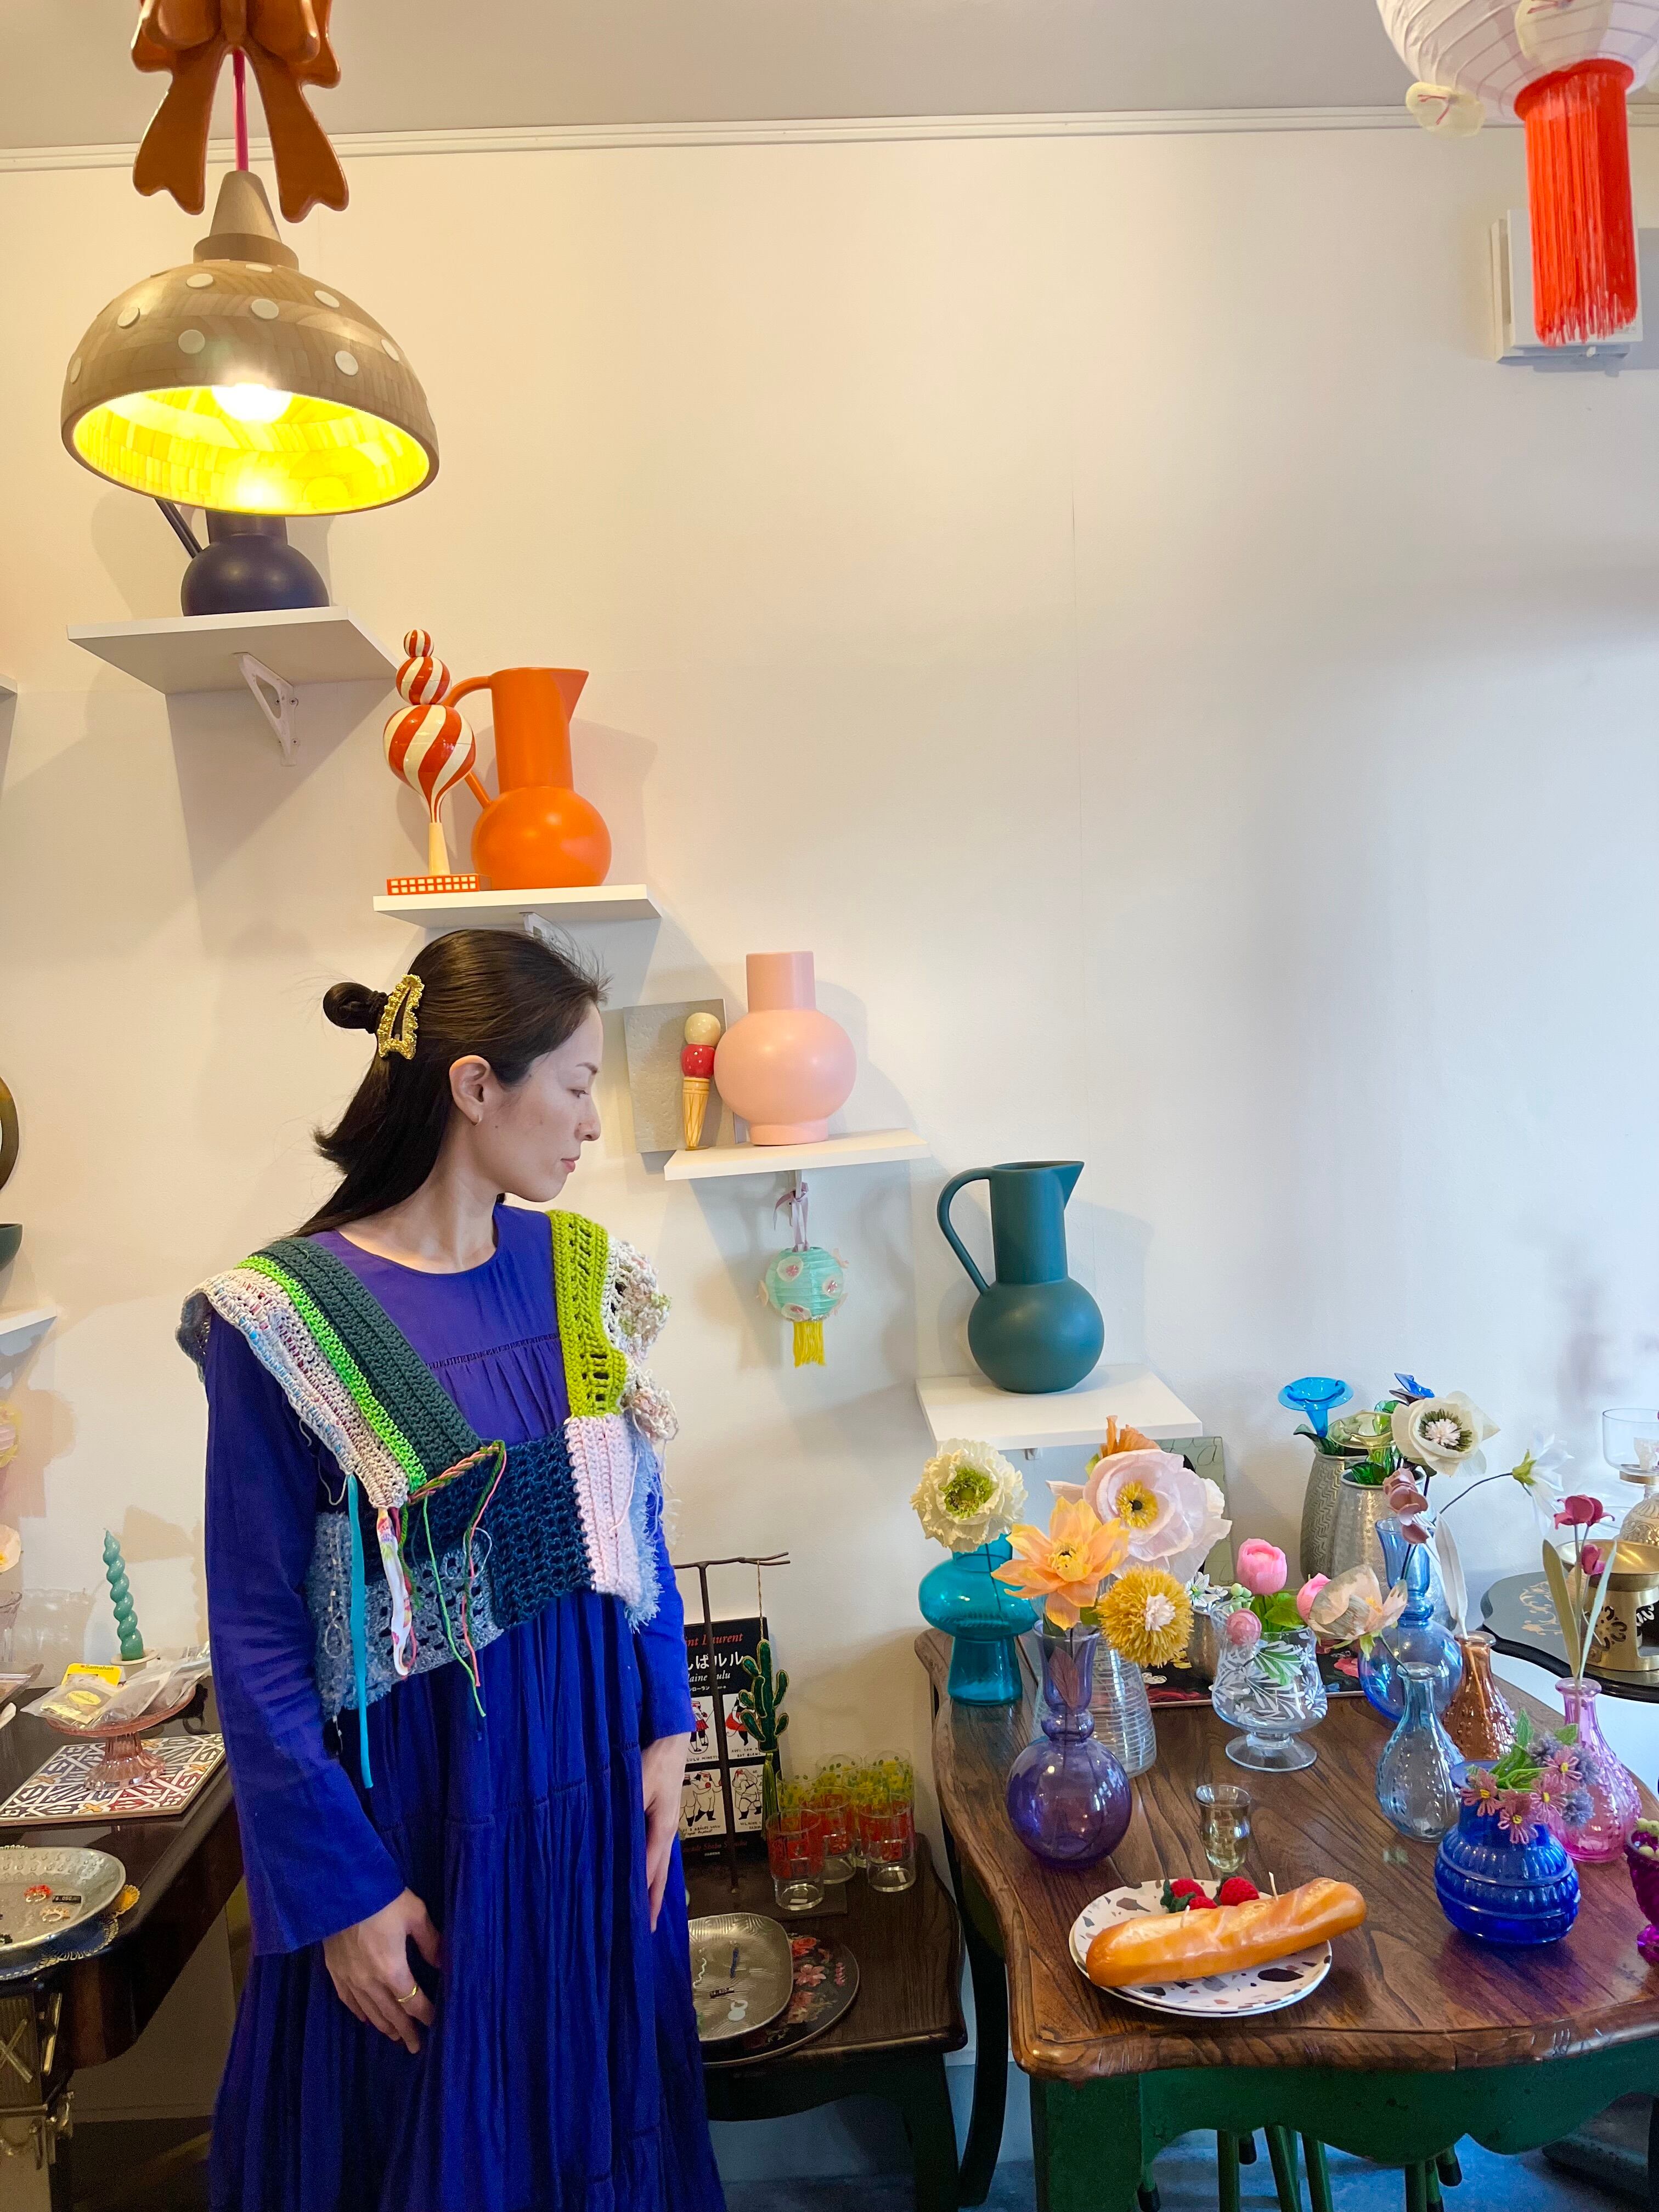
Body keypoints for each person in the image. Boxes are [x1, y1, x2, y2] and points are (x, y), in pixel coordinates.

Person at [180, 929, 725, 2212]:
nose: (592, 1122)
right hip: (419, 1813)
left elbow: (634, 1514)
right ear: (477, 1086)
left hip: (593, 1780)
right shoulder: (286, 1318)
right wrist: (339, 1891)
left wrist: (666, 1725)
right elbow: (256, 1637)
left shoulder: (578, 1273)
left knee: (595, 2112)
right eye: (577, 1084)